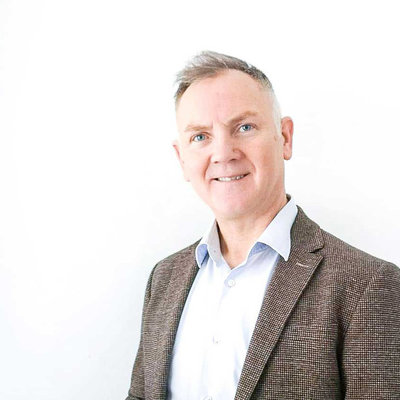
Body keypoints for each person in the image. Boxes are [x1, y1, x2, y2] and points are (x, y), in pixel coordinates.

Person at [125, 51, 400, 400]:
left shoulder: (368, 285)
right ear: (182, 159)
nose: (223, 153)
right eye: (200, 136)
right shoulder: (162, 279)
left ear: (284, 137)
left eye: (244, 127)